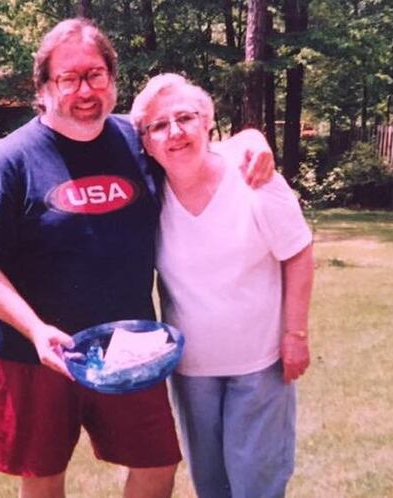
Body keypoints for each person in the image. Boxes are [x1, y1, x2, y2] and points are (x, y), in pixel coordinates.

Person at [0, 18, 274, 498]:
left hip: (130, 349)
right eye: (69, 78)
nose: (85, 89)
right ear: (44, 86)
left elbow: (200, 148)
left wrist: (251, 139)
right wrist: (37, 331)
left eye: (95, 74)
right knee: (42, 478)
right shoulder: (8, 163)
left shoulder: (137, 142)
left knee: (158, 463)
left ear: (112, 79)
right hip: (33, 356)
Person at [130, 73, 314, 498]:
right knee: (211, 486)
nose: (174, 132)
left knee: (256, 485)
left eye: (186, 118)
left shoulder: (254, 179)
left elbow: (299, 253)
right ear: (145, 141)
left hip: (261, 363)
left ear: (208, 123)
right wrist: (250, 134)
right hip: (192, 369)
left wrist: (296, 334)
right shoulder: (150, 195)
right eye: (158, 125)